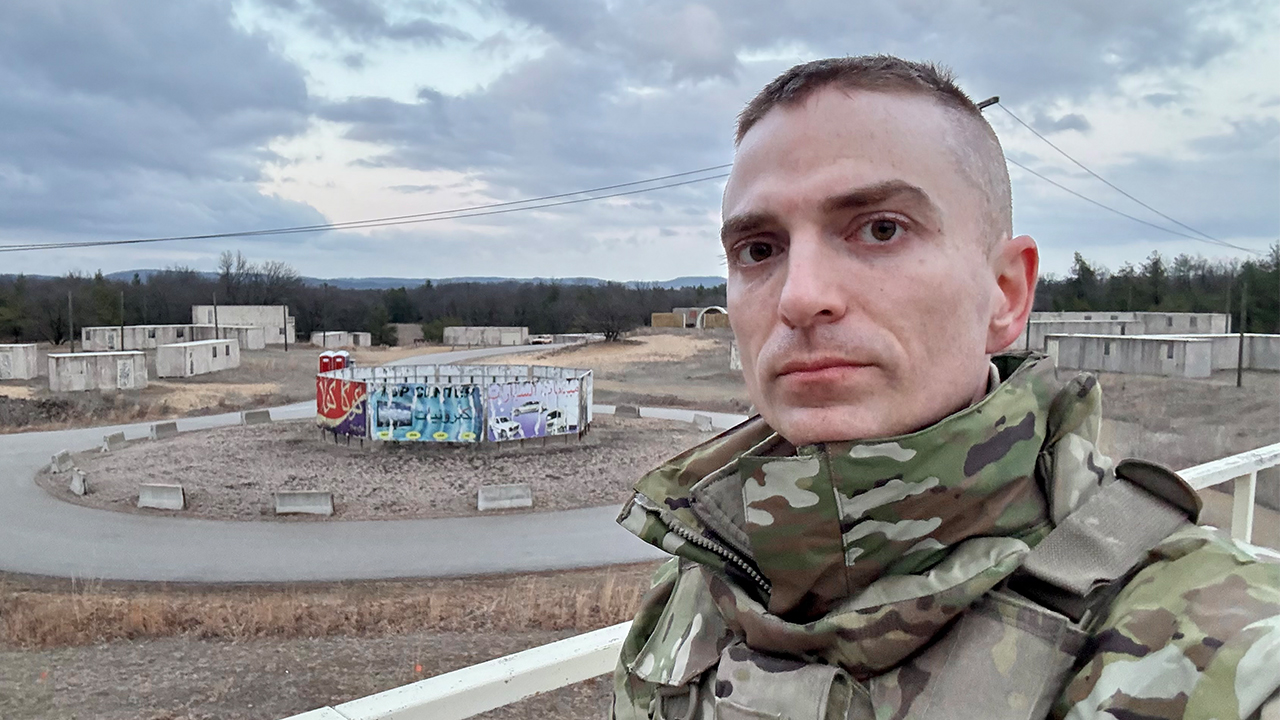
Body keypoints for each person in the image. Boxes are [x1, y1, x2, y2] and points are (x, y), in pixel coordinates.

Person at [612, 56, 1280, 720]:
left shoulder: (1223, 644)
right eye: (759, 249)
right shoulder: (698, 575)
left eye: (880, 229)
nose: (800, 296)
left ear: (1005, 293)